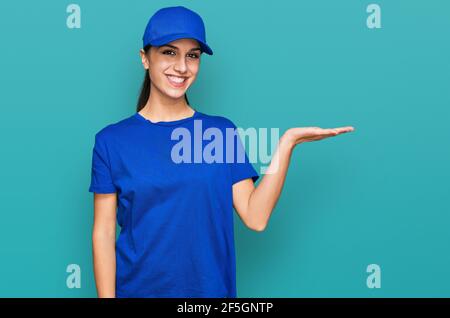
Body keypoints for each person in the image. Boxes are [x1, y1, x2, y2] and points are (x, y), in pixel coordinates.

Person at [89, 5, 354, 298]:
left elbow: (255, 217)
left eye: (192, 56)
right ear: (145, 58)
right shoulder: (111, 142)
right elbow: (103, 233)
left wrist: (286, 144)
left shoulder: (220, 133)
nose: (181, 67)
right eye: (169, 52)